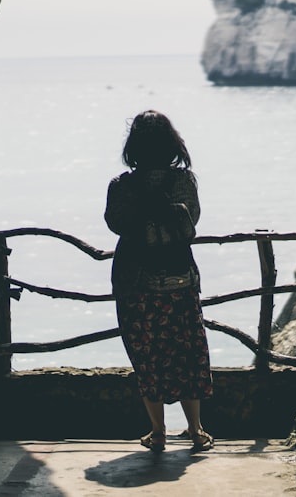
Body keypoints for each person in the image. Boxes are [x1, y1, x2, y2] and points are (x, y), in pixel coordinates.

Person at [104, 110, 215, 453]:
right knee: (188, 352)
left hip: (136, 283)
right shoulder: (184, 182)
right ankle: (196, 430)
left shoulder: (121, 186)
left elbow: (115, 223)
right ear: (172, 144)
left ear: (133, 146)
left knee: (147, 354)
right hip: (180, 280)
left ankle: (158, 432)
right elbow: (191, 221)